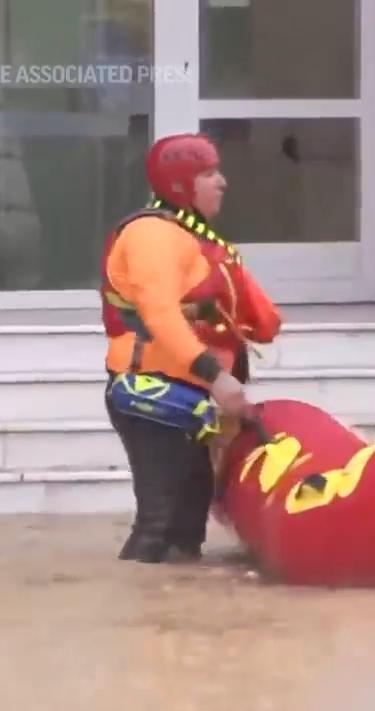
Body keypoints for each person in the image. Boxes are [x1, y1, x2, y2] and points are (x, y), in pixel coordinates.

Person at [101, 133, 281, 564]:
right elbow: (160, 314)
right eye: (208, 173)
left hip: (189, 396)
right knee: (159, 524)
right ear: (182, 184)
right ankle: (146, 619)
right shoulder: (152, 234)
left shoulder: (200, 243)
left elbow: (264, 322)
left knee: (187, 525)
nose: (222, 182)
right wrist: (217, 376)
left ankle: (175, 623)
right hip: (151, 394)